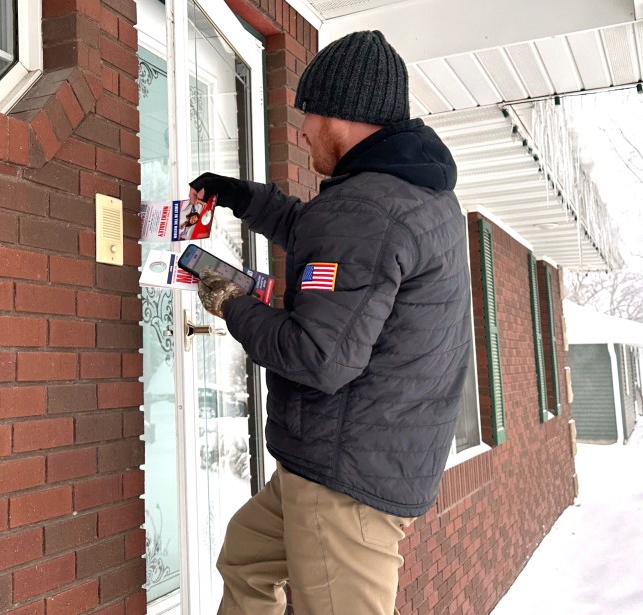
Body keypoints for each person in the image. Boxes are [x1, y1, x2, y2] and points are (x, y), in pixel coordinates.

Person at [189, 30, 472, 615]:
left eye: (307, 116)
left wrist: (232, 305)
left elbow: (318, 357)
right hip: (354, 455)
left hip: (346, 484)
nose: (301, 131)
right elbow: (329, 243)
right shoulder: (408, 195)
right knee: (245, 558)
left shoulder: (366, 209)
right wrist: (245, 198)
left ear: (340, 116)